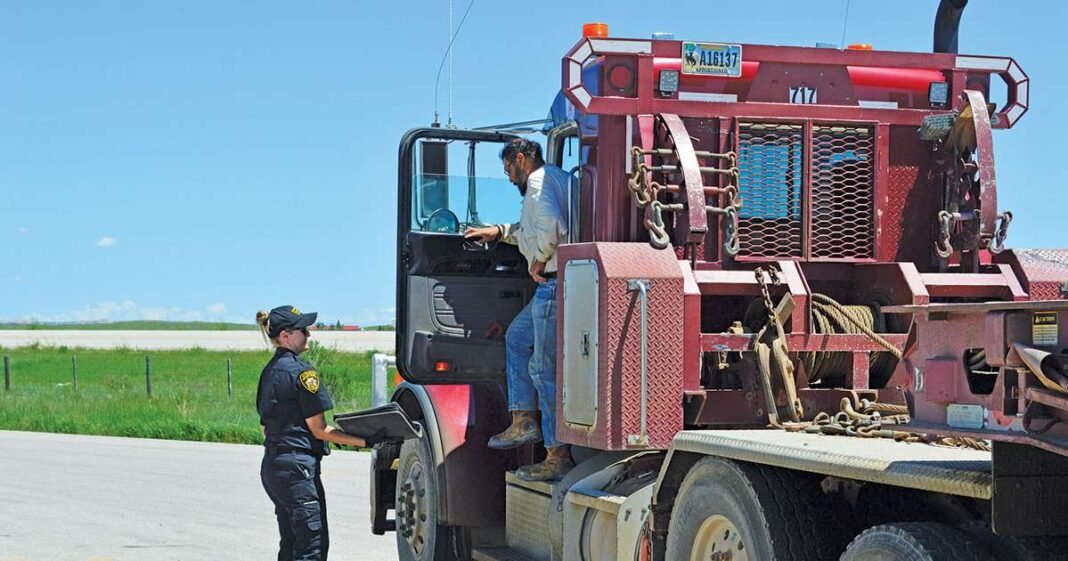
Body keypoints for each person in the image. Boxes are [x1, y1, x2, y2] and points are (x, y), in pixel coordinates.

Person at [463, 138, 572, 481]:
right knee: (517, 338)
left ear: (522, 159)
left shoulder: (538, 183)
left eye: (509, 169)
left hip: (552, 283)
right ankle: (523, 419)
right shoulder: (559, 179)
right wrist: (497, 232)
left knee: (543, 369)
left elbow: (553, 227)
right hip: (560, 283)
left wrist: (538, 261)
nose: (510, 178)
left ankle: (556, 455)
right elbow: (532, 228)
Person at [255, 305, 367, 561]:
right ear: (285, 336)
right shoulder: (303, 373)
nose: (309, 334)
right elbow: (319, 430)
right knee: (311, 550)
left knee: (290, 545)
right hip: (298, 472)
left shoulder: (268, 373)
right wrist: (365, 441)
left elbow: (264, 426)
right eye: (302, 329)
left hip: (273, 468)